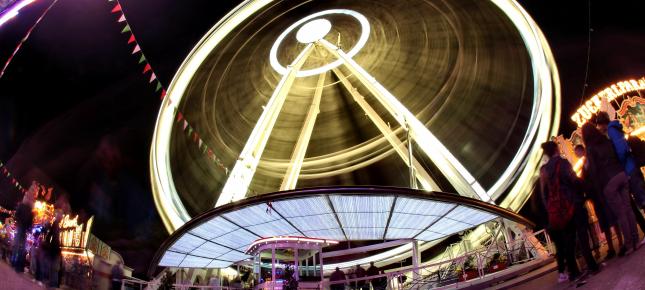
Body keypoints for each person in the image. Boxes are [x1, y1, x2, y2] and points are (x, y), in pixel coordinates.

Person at [582, 123, 639, 256]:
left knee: (620, 213)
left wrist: (599, 191)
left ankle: (629, 243)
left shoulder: (590, 148)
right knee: (628, 208)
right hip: (620, 174)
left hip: (608, 181)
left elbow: (594, 171)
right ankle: (635, 238)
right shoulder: (606, 140)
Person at [539, 141, 582, 282]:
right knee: (571, 238)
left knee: (563, 241)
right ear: (557, 149)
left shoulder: (544, 170)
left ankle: (571, 270)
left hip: (555, 209)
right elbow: (573, 179)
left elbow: (544, 193)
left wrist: (549, 207)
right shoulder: (562, 163)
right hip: (568, 203)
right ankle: (574, 271)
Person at [596, 112, 645, 236]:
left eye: (599, 125)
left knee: (642, 198)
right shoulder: (615, 128)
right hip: (630, 166)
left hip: (628, 168)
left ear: (602, 124)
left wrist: (618, 163)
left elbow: (621, 149)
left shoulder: (612, 130)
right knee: (640, 198)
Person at [12, 193, 34, 273]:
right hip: (22, 228)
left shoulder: (27, 209)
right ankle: (18, 265)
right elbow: (30, 222)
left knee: (19, 247)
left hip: (22, 228)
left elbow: (17, 215)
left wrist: (19, 222)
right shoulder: (26, 208)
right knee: (20, 247)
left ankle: (17, 264)